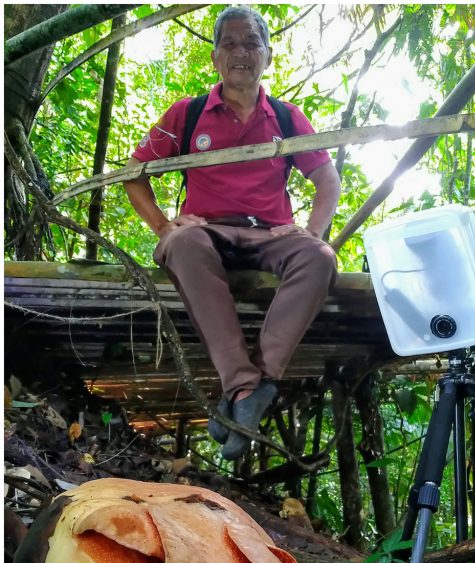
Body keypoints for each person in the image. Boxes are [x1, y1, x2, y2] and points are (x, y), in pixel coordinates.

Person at [124, 6, 341, 461]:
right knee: (181, 243)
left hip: (269, 232)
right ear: (215, 57)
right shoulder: (189, 113)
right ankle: (249, 389)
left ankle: (248, 389)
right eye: (230, 43)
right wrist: (164, 224)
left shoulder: (285, 116)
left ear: (266, 54)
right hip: (207, 231)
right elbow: (134, 173)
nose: (241, 52)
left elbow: (327, 179)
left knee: (319, 256)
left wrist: (313, 231)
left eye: (251, 43)